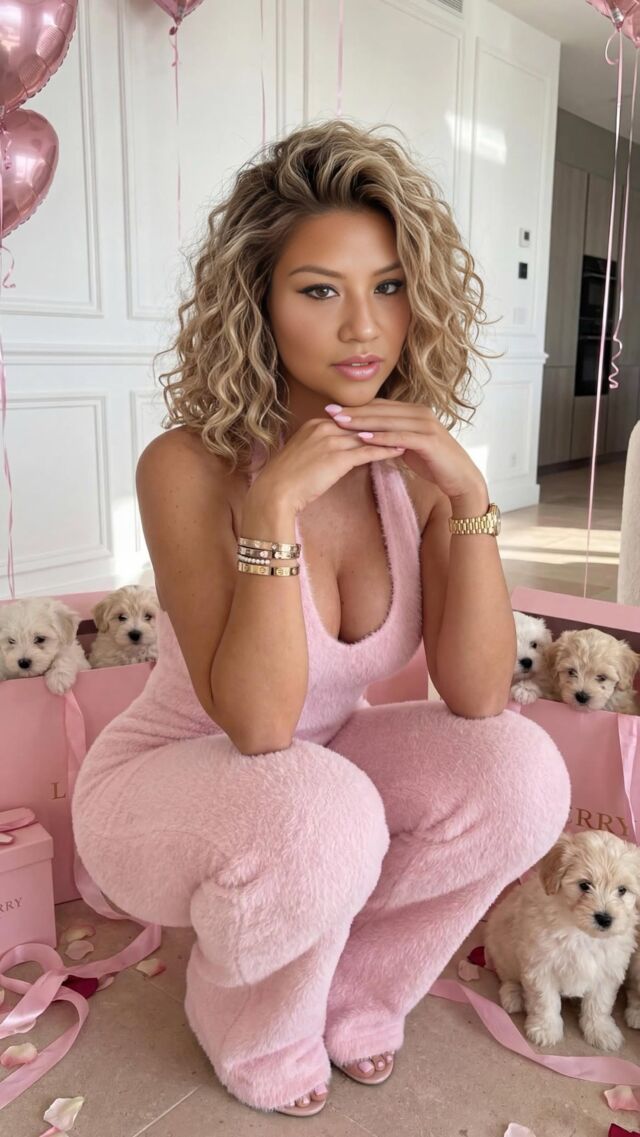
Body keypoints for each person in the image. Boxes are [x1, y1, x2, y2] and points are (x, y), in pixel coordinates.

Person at [72, 118, 571, 1119]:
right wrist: (271, 512)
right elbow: (258, 727)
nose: (362, 328)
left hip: (320, 771)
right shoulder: (188, 465)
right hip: (167, 783)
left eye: (388, 286)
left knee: (520, 773)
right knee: (319, 810)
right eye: (318, 291)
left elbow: (479, 693)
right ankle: (246, 1017)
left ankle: (353, 988)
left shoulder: (412, 468)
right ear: (256, 303)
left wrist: (468, 493)